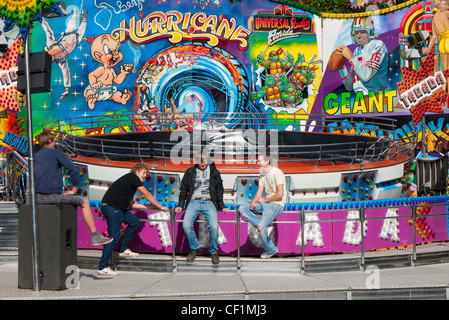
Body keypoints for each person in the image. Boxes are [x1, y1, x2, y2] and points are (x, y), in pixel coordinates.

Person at [34, 132, 112, 246]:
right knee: (84, 202)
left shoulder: (35, 156)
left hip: (36, 197)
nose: (55, 144)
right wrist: (74, 188)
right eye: (54, 141)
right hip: (52, 196)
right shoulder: (56, 153)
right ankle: (95, 236)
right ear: (50, 141)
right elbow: (74, 170)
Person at [98, 162, 169, 276]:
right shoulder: (132, 177)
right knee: (113, 237)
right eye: (144, 173)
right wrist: (160, 206)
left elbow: (132, 205)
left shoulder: (129, 185)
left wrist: (149, 207)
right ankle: (102, 267)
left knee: (134, 222)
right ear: (137, 172)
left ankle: (123, 250)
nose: (145, 176)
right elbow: (146, 193)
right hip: (112, 208)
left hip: (119, 209)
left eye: (146, 173)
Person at [175, 150, 229, 265]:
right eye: (200, 161)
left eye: (204, 161)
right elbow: (183, 189)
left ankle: (213, 251)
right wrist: (180, 205)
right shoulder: (190, 172)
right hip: (194, 201)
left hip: (209, 202)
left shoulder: (214, 172)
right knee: (186, 225)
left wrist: (222, 206)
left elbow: (219, 190)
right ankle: (195, 248)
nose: (202, 163)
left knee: (214, 227)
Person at [238, 153, 286, 259]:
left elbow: (280, 194)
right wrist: (253, 202)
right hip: (266, 204)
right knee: (242, 209)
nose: (257, 163)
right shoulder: (263, 174)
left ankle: (271, 249)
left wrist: (265, 200)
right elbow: (259, 192)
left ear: (267, 161)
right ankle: (264, 227)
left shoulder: (277, 173)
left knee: (260, 227)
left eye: (259, 161)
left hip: (276, 204)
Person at [336, 16, 388, 94]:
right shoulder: (356, 51)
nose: (359, 35)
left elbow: (366, 76)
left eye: (363, 31)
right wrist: (342, 68)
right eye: (356, 33)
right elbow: (349, 86)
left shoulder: (378, 45)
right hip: (360, 98)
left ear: (370, 32)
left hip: (375, 96)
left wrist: (351, 58)